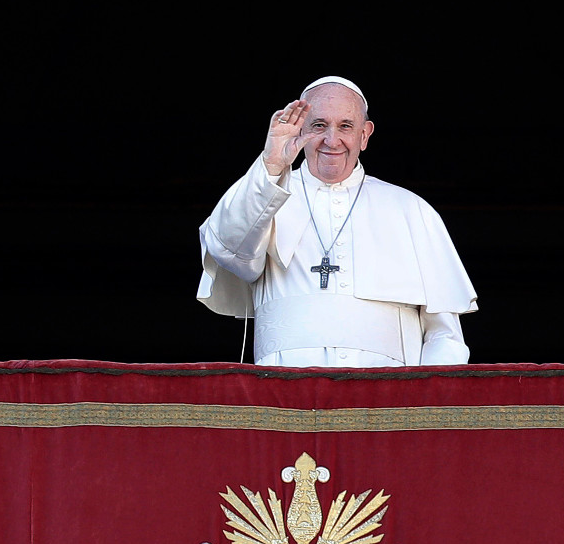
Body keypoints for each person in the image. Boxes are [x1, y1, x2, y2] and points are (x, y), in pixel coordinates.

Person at [197, 76, 477, 367]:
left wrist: (425, 402)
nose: (332, 140)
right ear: (298, 130)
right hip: (284, 396)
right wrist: (270, 165)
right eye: (318, 126)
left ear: (365, 135)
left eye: (345, 126)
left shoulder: (411, 210)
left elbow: (444, 336)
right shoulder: (264, 194)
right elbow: (228, 249)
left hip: (386, 399)